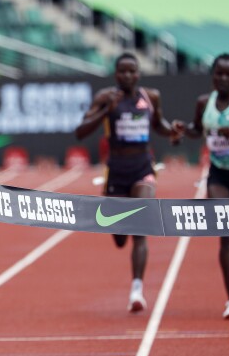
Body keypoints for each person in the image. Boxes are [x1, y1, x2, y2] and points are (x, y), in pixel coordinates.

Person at [75, 52, 183, 313]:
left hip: (142, 167)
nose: (127, 76)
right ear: (115, 74)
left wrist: (172, 132)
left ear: (138, 73)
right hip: (116, 171)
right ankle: (120, 232)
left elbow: (158, 124)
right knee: (120, 236)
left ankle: (137, 288)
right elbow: (80, 131)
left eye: (132, 71)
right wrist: (104, 111)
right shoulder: (106, 98)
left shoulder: (150, 97)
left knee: (140, 227)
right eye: (122, 71)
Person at [181, 53, 229, 320]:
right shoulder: (203, 103)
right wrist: (182, 129)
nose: (224, 78)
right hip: (218, 174)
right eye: (220, 73)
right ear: (213, 75)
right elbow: (198, 130)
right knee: (226, 232)